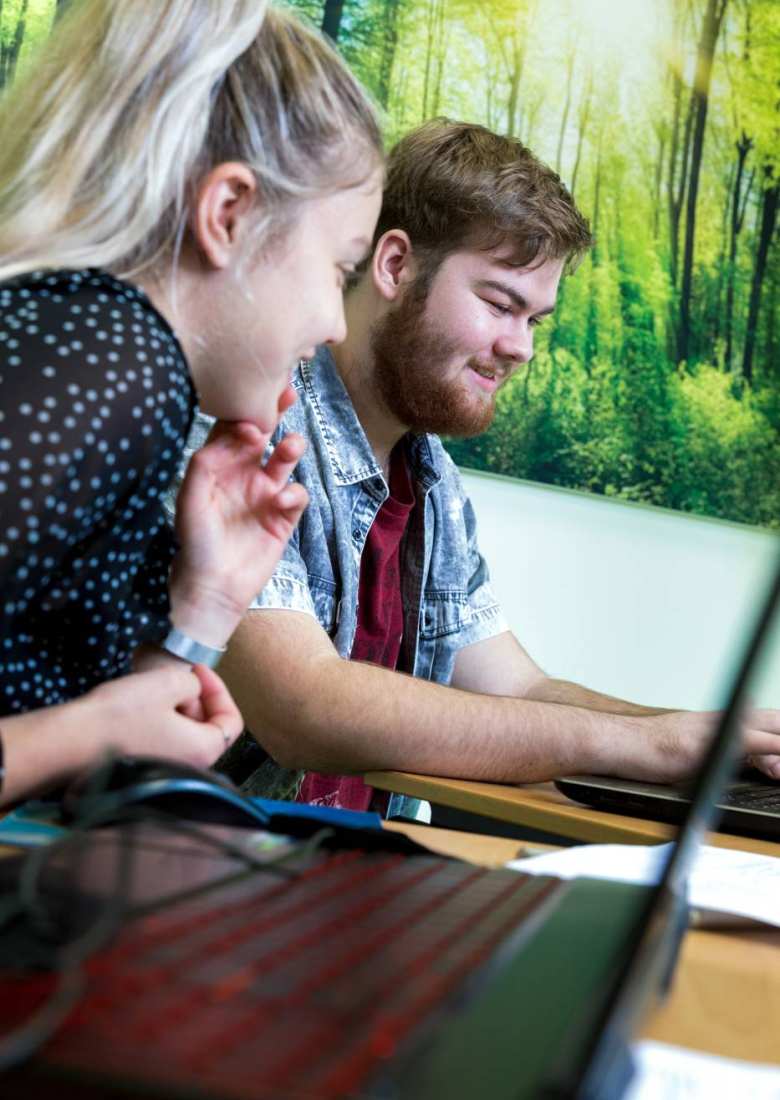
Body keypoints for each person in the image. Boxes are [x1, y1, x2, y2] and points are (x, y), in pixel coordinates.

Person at [181, 118, 780, 816]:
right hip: (207, 876)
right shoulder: (248, 424)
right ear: (395, 266)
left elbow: (518, 692)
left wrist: (705, 739)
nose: (520, 346)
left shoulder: (433, 485)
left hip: (363, 875)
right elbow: (304, 708)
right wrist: (648, 747)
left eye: (536, 321)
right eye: (501, 304)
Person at [0, 0, 384, 808]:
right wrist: (88, 736)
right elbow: (76, 738)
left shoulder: (96, 356)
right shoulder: (112, 360)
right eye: (338, 270)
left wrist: (201, 605)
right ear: (229, 215)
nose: (334, 323)